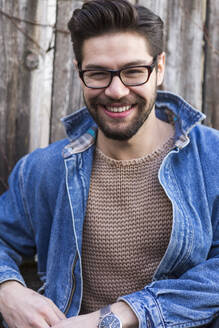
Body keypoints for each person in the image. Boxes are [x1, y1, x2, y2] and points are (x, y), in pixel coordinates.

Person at [0, 0, 219, 327]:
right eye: (99, 73)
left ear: (159, 67)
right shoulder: (41, 171)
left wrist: (121, 315)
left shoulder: (212, 158)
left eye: (133, 71)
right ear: (79, 72)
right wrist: (8, 290)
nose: (116, 91)